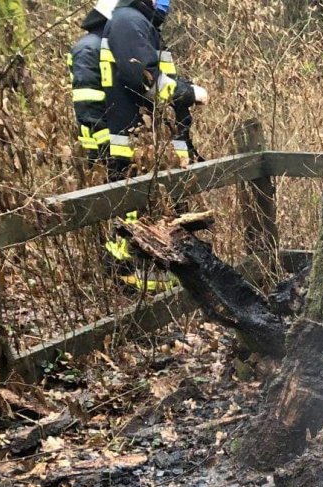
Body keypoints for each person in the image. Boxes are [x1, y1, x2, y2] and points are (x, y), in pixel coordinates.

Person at [102, 0, 209, 288]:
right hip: (140, 147)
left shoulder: (139, 23)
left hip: (149, 146)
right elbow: (146, 78)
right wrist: (188, 93)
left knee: (153, 214)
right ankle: (143, 287)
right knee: (142, 217)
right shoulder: (129, 21)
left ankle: (154, 282)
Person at [69, 0, 117, 166]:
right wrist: (105, 147)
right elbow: (88, 104)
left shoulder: (106, 44)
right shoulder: (88, 48)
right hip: (99, 145)